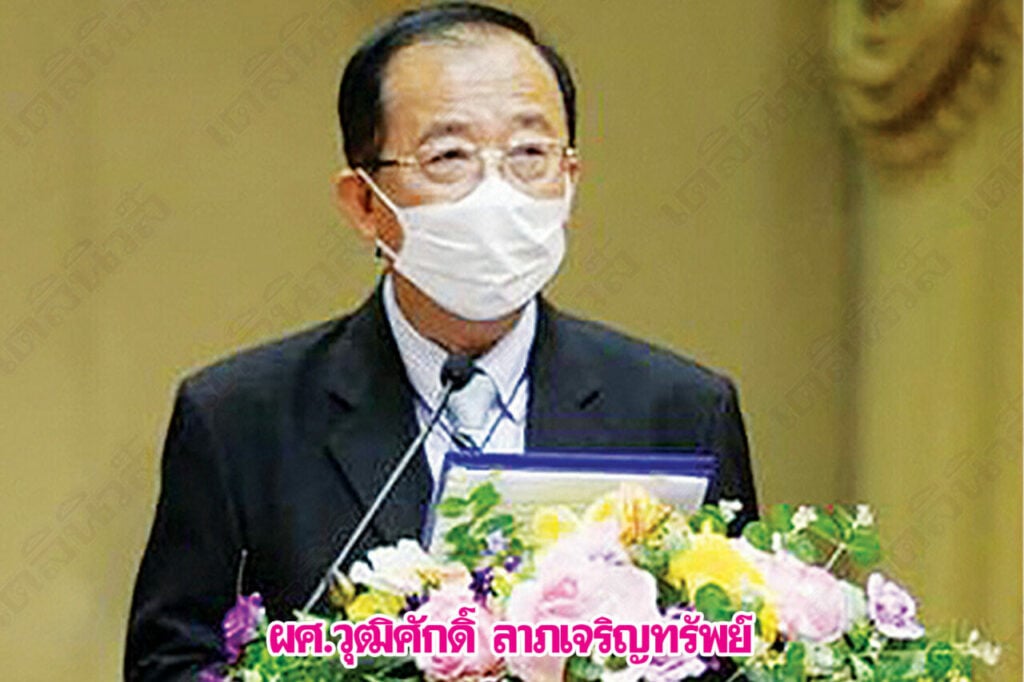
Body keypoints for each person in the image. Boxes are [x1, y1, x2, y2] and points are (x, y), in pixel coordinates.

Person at [124, 3, 758, 679]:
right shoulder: (239, 420)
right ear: (364, 203)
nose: (497, 194)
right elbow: (172, 663)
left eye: (529, 154)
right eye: (449, 156)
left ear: (570, 180)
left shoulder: (679, 412)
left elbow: (742, 650)